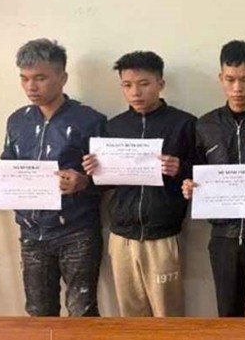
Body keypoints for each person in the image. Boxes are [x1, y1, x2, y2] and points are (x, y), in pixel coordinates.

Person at [0, 39, 106, 316]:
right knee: (39, 313)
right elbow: (9, 164)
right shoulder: (18, 120)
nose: (31, 86)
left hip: (77, 232)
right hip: (31, 232)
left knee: (82, 311)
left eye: (40, 78)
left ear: (62, 78)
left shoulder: (90, 120)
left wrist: (84, 181)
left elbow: (110, 177)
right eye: (24, 78)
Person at [83, 51, 197, 316]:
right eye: (127, 85)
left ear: (160, 83)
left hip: (163, 234)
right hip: (121, 235)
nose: (135, 92)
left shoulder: (184, 123)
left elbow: (200, 174)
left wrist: (180, 168)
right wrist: (93, 172)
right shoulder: (113, 127)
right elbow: (103, 186)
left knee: (168, 314)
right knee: (130, 315)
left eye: (144, 84)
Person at [182, 40, 245, 317]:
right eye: (230, 79)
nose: (238, 88)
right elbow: (193, 171)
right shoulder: (204, 126)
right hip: (223, 238)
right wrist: (189, 186)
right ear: (221, 78)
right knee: (228, 318)